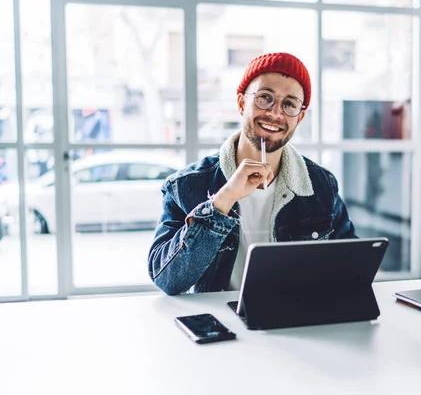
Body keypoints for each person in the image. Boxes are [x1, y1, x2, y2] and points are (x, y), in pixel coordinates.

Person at [148, 52, 357, 295]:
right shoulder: (186, 186)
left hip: (296, 323)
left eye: (289, 104)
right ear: (241, 104)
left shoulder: (321, 185)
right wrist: (222, 201)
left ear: (299, 117)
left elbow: (351, 267)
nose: (275, 114)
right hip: (220, 323)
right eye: (264, 98)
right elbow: (167, 280)